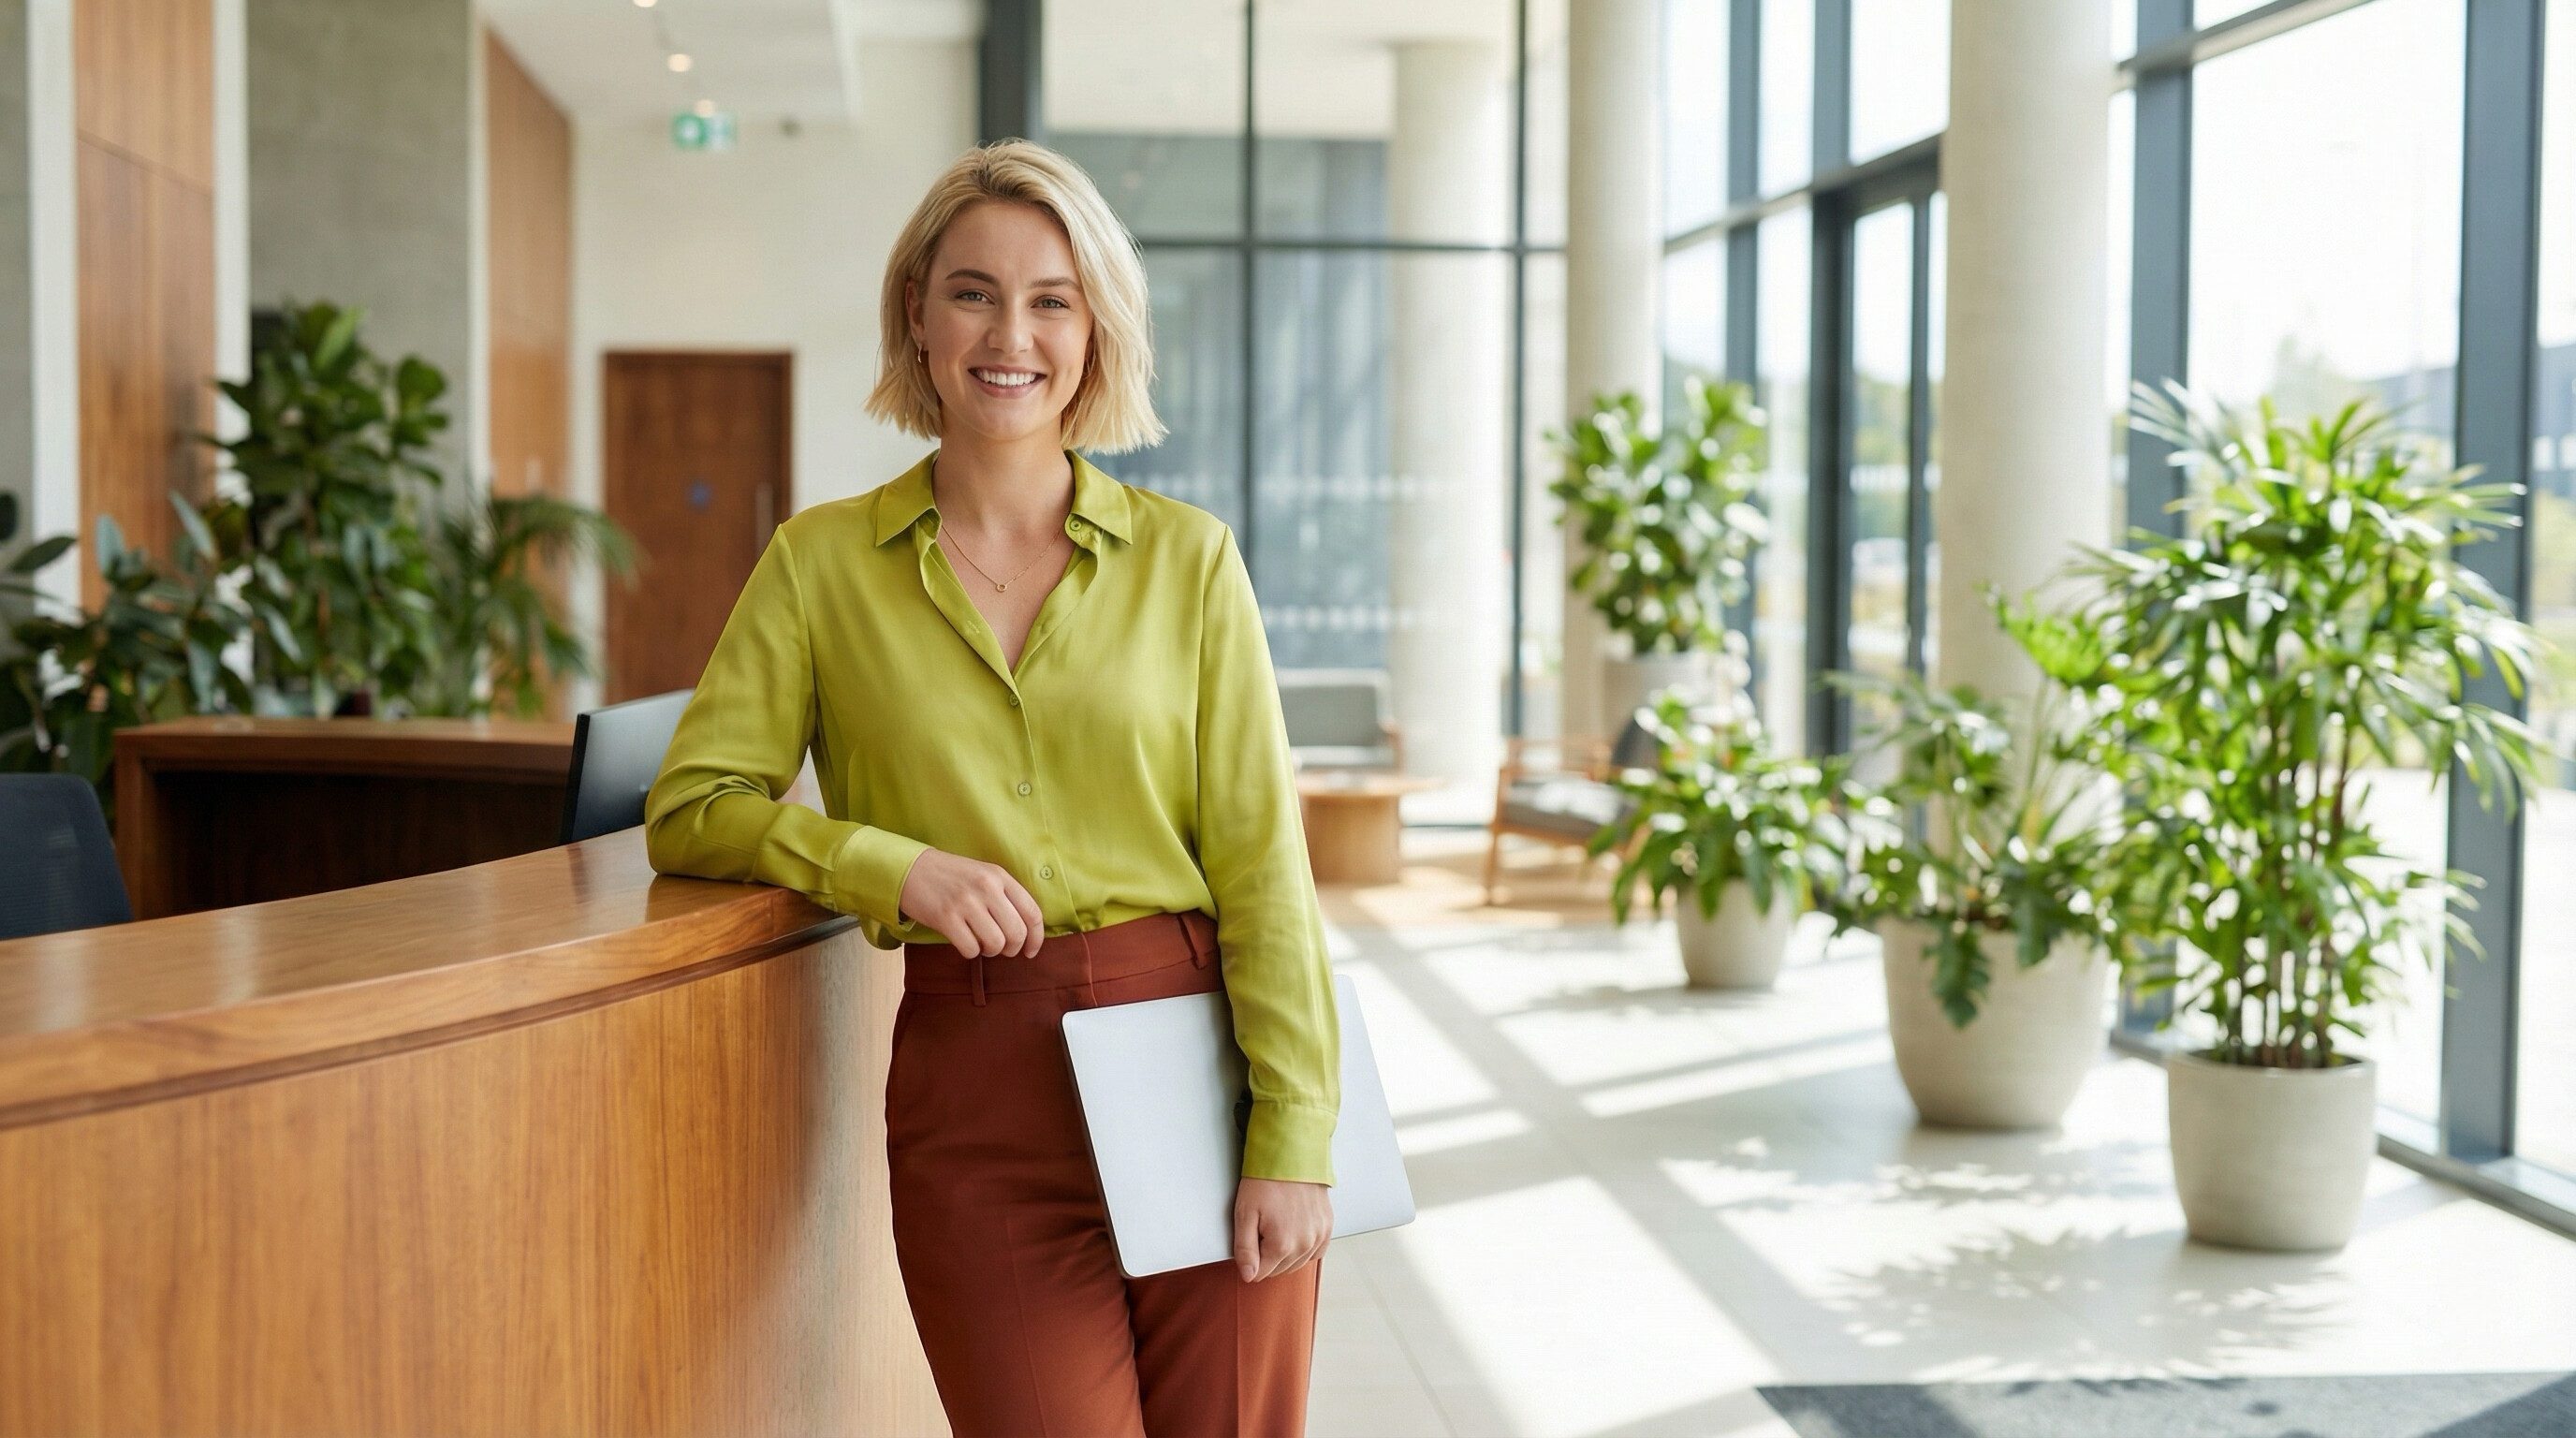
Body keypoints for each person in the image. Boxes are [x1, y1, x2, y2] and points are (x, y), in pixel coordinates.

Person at [641, 138, 1341, 1437]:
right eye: (972, 292)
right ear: (917, 313)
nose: (1008, 333)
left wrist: (1293, 1135)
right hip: (978, 1092)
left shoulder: (1190, 565)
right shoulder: (820, 565)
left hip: (1197, 1059)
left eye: (1050, 299)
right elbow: (693, 805)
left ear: (1094, 329)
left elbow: (1265, 871)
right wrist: (882, 864)